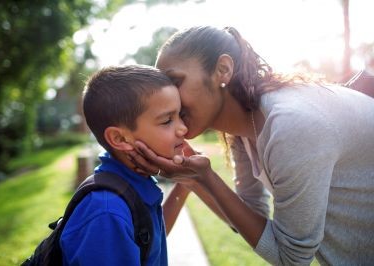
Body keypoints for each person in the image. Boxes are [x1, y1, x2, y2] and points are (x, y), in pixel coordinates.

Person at [127, 26, 374, 265]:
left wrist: (206, 178)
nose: (168, 99)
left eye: (174, 82)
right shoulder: (245, 128)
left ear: (223, 69)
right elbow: (247, 218)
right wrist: (193, 179)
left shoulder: (289, 125)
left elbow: (292, 258)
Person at [60, 65, 188, 265]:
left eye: (181, 115)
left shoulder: (134, 183)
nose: (183, 128)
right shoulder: (107, 214)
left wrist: (185, 184)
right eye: (166, 121)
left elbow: (149, 241)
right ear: (120, 138)